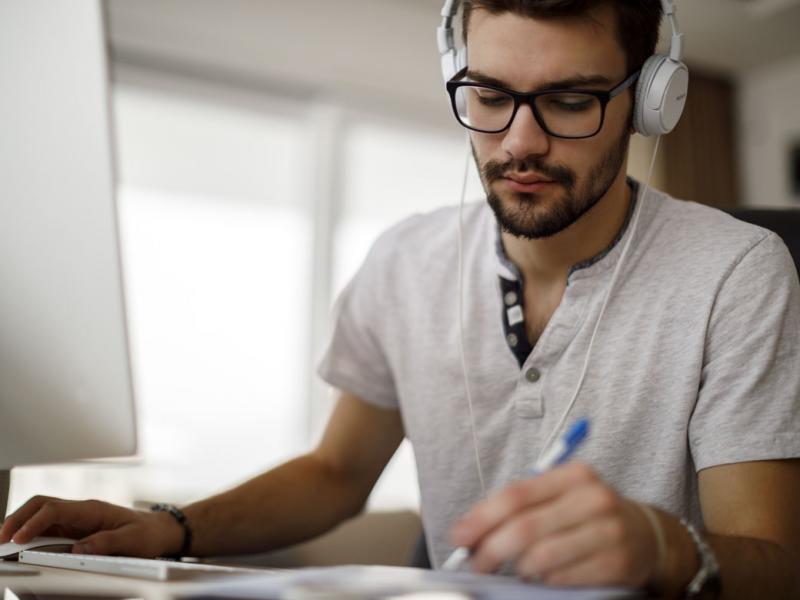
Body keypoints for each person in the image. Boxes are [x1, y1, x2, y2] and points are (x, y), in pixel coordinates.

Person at [2, 1, 799, 597]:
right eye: (488, 94)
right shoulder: (405, 261)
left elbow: (776, 561)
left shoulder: (735, 271)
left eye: (569, 100)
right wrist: (169, 528)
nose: (519, 141)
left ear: (649, 102)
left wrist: (662, 549)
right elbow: (334, 472)